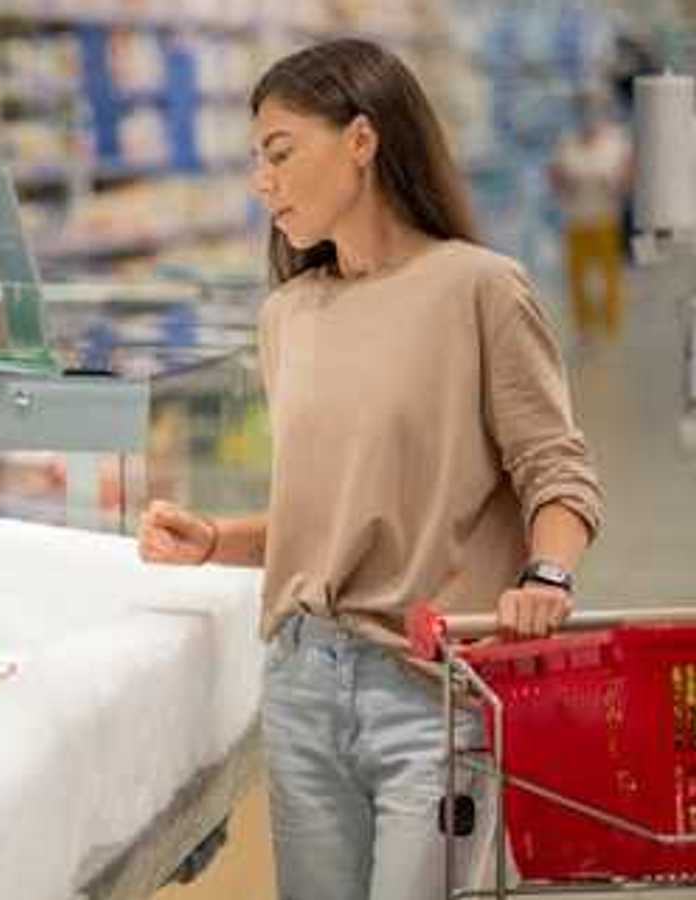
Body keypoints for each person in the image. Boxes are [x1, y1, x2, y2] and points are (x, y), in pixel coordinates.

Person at [137, 40, 603, 900]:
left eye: (280, 153)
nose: (262, 182)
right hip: (302, 682)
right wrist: (216, 540)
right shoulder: (289, 315)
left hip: (428, 687)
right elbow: (343, 516)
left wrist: (547, 572)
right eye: (255, 162)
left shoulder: (481, 289)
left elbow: (556, 471)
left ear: (361, 139)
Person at [549, 87, 633, 346]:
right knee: (578, 278)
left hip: (606, 218)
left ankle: (611, 328)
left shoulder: (617, 142)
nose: (588, 115)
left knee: (609, 276)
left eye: (593, 108)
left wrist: (615, 182)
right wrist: (566, 183)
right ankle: (584, 329)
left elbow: (629, 177)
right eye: (583, 108)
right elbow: (554, 176)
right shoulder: (567, 144)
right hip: (576, 219)